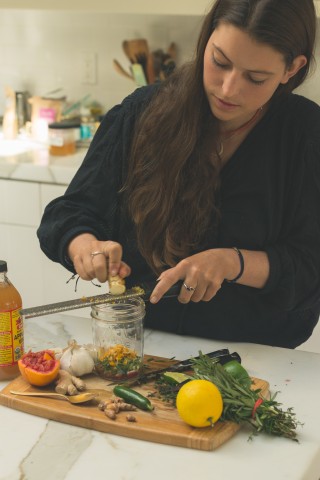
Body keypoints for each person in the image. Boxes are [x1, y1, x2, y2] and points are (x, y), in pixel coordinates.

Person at [38, 0, 320, 349]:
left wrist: (232, 262)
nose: (229, 89)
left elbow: (310, 263)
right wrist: (84, 245)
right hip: (141, 345)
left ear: (292, 68)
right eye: (220, 62)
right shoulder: (143, 112)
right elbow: (68, 214)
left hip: (258, 357)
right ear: (206, 41)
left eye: (255, 77)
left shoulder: (306, 135)